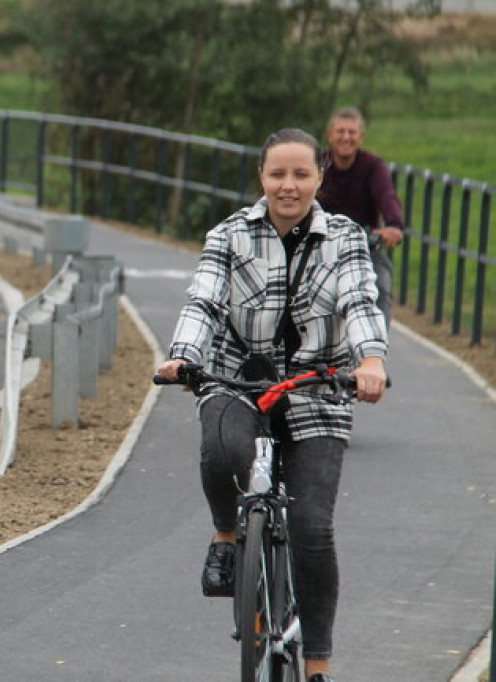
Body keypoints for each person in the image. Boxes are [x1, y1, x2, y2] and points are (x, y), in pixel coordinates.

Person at [155, 128, 388, 682]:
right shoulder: (230, 234)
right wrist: (182, 356)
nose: (289, 185)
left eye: (301, 174)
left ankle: (317, 663)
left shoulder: (346, 239)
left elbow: (360, 300)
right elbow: (205, 299)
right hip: (238, 377)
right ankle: (226, 537)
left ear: (319, 177)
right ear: (261, 177)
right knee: (221, 446)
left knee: (311, 527)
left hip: (319, 386)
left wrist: (370, 361)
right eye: (278, 174)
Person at [317, 106, 404, 327]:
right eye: (340, 131)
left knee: (381, 287)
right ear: (330, 135)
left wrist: (393, 225)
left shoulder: (373, 167)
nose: (346, 137)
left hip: (364, 243)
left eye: (352, 132)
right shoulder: (318, 165)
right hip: (321, 243)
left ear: (360, 137)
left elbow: (386, 195)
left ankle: (377, 347)